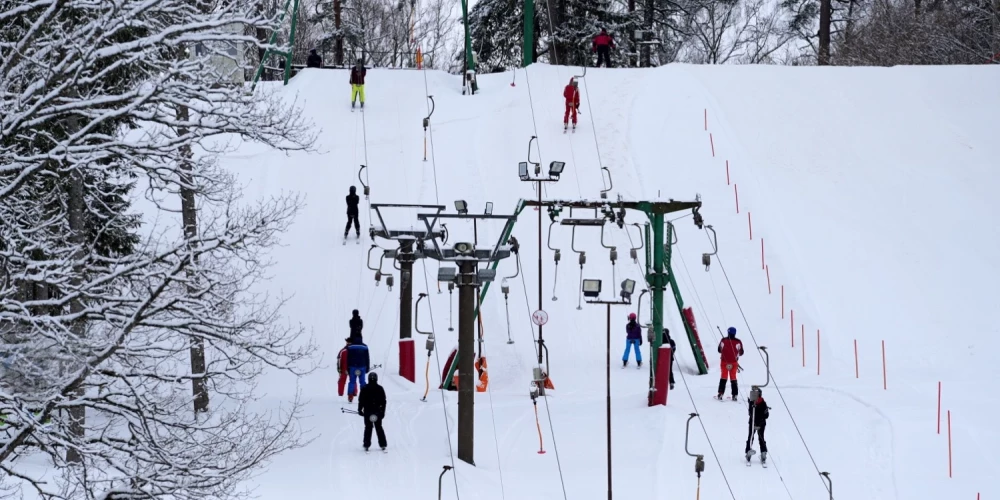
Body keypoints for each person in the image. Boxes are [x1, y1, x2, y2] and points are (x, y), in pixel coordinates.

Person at [357, 371, 388, 451]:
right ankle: (383, 444)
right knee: (379, 427)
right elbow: (383, 401)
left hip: (368, 411)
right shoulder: (380, 388)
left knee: (368, 427)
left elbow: (361, 400)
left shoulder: (364, 388)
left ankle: (366, 444)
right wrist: (382, 411)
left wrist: (360, 409)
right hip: (377, 411)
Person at [717, 326, 744, 399]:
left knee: (723, 377)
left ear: (728, 332)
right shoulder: (738, 341)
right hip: (734, 362)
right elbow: (741, 352)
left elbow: (719, 350)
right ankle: (734, 395)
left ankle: (720, 393)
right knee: (733, 378)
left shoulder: (723, 340)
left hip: (724, 362)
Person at [745, 387, 769, 464]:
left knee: (761, 437)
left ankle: (763, 452)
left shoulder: (763, 404)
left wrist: (762, 417)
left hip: (761, 423)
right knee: (751, 436)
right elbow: (750, 413)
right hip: (752, 422)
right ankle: (748, 451)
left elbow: (766, 415)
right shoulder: (752, 403)